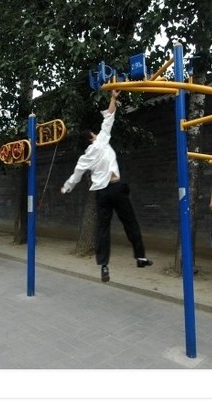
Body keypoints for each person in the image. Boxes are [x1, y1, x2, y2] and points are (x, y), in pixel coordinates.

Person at [61, 90, 151, 283]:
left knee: (103, 229)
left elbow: (76, 176)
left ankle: (104, 264)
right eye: (94, 133)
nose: (96, 134)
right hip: (116, 188)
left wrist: (66, 188)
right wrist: (113, 98)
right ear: (92, 137)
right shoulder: (101, 141)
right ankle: (140, 257)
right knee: (130, 222)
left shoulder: (84, 158)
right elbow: (109, 117)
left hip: (101, 194)